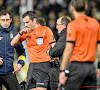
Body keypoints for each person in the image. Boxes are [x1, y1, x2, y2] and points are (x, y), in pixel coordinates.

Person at [59, 0, 100, 90]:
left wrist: (62, 70)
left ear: (72, 8)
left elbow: (69, 49)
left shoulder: (73, 25)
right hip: (91, 68)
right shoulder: (95, 23)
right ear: (86, 7)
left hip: (77, 67)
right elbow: (99, 47)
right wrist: (99, 67)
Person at [11, 11, 56, 90]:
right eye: (24, 22)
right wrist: (20, 33)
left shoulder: (45, 30)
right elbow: (12, 43)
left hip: (43, 65)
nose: (25, 25)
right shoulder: (26, 32)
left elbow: (54, 46)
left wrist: (56, 58)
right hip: (32, 65)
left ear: (34, 20)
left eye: (27, 22)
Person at [0, 10, 26, 90]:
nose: (5, 23)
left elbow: (21, 52)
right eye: (2, 20)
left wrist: (20, 63)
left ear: (11, 20)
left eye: (7, 20)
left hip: (9, 72)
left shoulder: (15, 34)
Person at [47, 16, 71, 90]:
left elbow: (55, 51)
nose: (56, 27)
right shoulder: (72, 32)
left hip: (68, 68)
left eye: (58, 24)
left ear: (64, 25)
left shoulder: (65, 33)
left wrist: (48, 52)